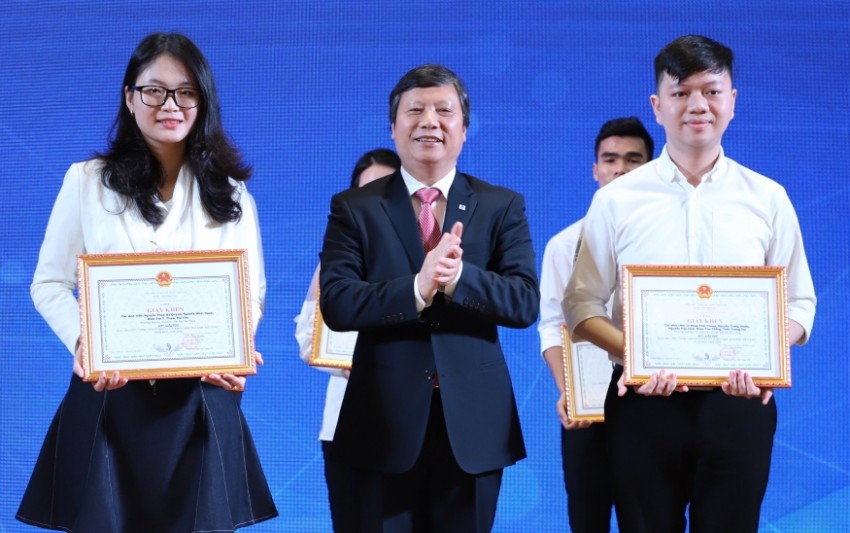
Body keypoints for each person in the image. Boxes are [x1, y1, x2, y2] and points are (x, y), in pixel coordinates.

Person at [16, 33, 278, 532]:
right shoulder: (87, 181)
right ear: (130, 97)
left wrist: (234, 349)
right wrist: (86, 344)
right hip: (109, 394)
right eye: (154, 90)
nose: (170, 105)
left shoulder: (231, 192)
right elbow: (48, 283)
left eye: (185, 92)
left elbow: (251, 292)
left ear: (203, 101)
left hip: (200, 398)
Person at [562, 35, 816, 533]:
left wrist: (764, 357)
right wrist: (637, 355)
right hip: (642, 403)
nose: (697, 105)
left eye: (711, 91)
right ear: (657, 106)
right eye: (680, 93)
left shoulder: (767, 198)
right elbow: (580, 305)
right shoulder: (616, 200)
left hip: (738, 401)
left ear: (732, 102)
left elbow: (800, 303)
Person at [319, 64, 539, 532]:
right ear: (393, 127)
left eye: (444, 111)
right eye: (415, 110)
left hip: (473, 426)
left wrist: (459, 278)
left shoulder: (501, 205)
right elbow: (337, 302)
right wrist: (416, 289)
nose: (429, 122)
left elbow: (524, 302)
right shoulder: (354, 207)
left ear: (464, 128)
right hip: (382, 422)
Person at [538, 117, 653, 533]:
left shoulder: (666, 244)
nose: (620, 169)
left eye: (633, 160)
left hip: (655, 405)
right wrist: (569, 392)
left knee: (650, 519)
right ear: (595, 169)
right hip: (589, 408)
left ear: (652, 168)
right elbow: (553, 325)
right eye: (610, 159)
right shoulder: (564, 245)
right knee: (587, 518)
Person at [294, 148, 401, 530]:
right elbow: (308, 338)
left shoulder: (430, 256)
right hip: (345, 423)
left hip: (413, 424)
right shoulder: (336, 257)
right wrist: (355, 365)